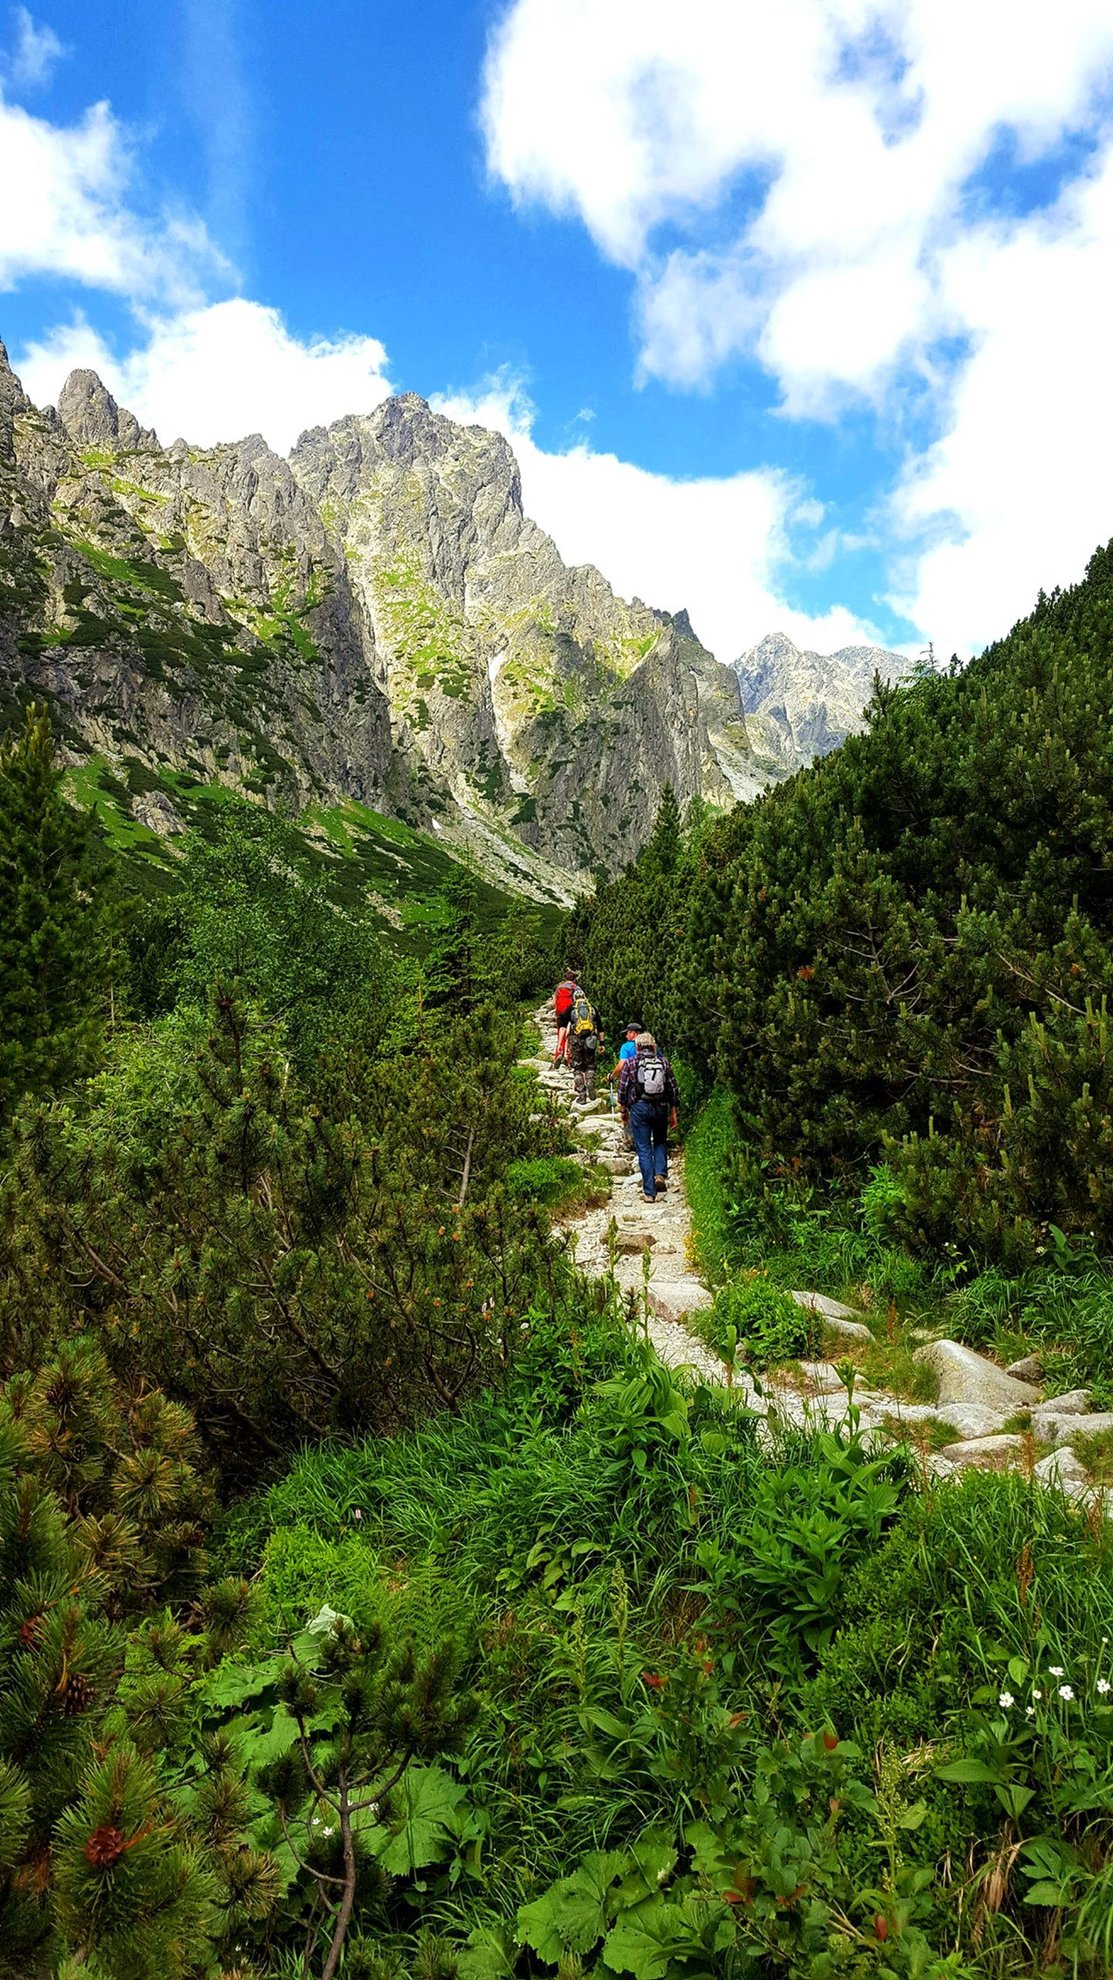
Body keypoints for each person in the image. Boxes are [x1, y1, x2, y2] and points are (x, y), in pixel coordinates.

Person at [618, 1031, 680, 1203]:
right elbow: (673, 1089)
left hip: (639, 1108)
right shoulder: (664, 1063)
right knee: (660, 1141)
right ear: (654, 1046)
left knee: (644, 1148)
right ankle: (660, 1174)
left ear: (637, 1047)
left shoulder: (631, 1063)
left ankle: (649, 1193)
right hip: (661, 1107)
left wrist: (623, 1110)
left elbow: (623, 1088)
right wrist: (673, 1112)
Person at [567, 988, 602, 1105]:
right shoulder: (592, 1009)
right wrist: (602, 1044)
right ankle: (590, 1081)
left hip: (575, 1041)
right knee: (590, 1065)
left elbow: (564, 1027)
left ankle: (582, 1095)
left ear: (574, 998)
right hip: (590, 1040)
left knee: (577, 1068)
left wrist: (563, 1044)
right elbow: (601, 1029)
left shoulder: (571, 1009)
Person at [553, 970, 579, 1065]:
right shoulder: (575, 987)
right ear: (574, 978)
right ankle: (568, 1057)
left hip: (560, 1013)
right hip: (571, 1014)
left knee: (561, 1033)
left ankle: (558, 1053)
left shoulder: (558, 987)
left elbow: (553, 1003)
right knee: (570, 1036)